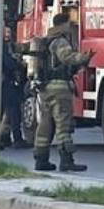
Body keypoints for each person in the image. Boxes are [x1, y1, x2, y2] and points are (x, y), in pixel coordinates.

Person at [33, 12, 94, 172]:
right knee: (63, 125)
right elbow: (67, 58)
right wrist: (83, 58)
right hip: (59, 88)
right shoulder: (60, 41)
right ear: (62, 25)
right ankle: (66, 160)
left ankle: (41, 159)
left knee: (45, 125)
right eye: (68, 24)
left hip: (45, 88)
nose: (70, 27)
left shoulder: (46, 41)